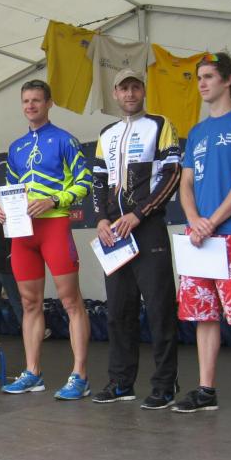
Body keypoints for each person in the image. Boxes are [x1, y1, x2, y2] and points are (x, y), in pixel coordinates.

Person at [173, 53, 231, 420]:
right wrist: (194, 219)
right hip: (198, 237)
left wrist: (211, 221)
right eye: (199, 77)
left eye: (209, 76)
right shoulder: (197, 133)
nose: (202, 83)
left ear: (228, 80)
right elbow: (185, 183)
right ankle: (206, 390)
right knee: (204, 315)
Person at [91, 69, 181, 409]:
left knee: (159, 309)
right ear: (115, 93)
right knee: (118, 311)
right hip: (115, 233)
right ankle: (120, 382)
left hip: (147, 227)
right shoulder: (107, 133)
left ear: (143, 91)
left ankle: (164, 385)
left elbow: (172, 174)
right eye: (123, 88)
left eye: (135, 87)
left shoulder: (160, 124)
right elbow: (98, 180)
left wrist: (140, 213)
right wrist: (101, 218)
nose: (130, 94)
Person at [0, 80, 92, 399]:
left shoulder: (65, 140)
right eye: (26, 101)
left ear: (49, 103)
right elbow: (10, 189)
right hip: (23, 232)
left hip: (54, 227)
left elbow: (84, 182)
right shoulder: (16, 147)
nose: (30, 106)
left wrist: (53, 200)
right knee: (28, 303)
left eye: (37, 100)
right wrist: (2, 208)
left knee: (71, 301)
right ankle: (32, 372)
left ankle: (80, 375)